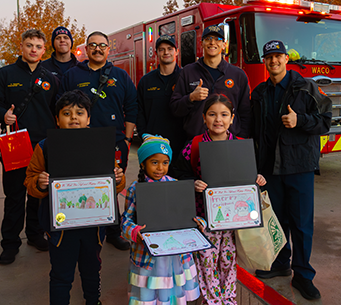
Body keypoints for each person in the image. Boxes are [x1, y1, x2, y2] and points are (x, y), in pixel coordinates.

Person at [24, 90, 126, 305]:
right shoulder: (45, 147)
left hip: (94, 226)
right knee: (61, 275)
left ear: (88, 118)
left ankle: (93, 300)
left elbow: (114, 183)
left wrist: (117, 179)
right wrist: (39, 182)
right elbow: (30, 181)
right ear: (57, 119)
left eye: (79, 113)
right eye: (66, 113)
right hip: (60, 228)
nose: (73, 118)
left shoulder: (101, 144)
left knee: (92, 270)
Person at [250, 40, 332, 300]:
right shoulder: (260, 92)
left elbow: (326, 121)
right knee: (276, 220)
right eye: (269, 57)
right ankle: (280, 262)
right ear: (265, 61)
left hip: (299, 166)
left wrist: (300, 120)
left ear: (287, 59)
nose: (273, 61)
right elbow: (254, 131)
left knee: (301, 224)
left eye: (278, 56)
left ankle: (304, 275)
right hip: (270, 169)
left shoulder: (305, 88)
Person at [175, 94, 267, 304]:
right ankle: (212, 299)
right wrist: (193, 183)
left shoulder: (243, 146)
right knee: (206, 261)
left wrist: (258, 179)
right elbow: (179, 173)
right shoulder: (195, 145)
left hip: (235, 220)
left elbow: (252, 175)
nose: (218, 120)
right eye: (212, 114)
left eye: (224, 114)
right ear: (204, 118)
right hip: (205, 219)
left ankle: (229, 298)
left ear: (232, 118)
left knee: (228, 260)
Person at [58, 31, 138, 251]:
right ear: (86, 48)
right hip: (79, 143)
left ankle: (113, 231)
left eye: (102, 45)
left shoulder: (120, 76)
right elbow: (60, 106)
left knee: (112, 186)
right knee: (83, 186)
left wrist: (128, 139)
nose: (97, 49)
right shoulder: (72, 76)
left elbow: (132, 108)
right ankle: (85, 228)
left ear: (108, 49)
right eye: (93, 45)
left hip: (114, 142)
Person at [0, 28, 58, 265]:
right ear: (21, 47)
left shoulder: (51, 78)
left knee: (38, 194)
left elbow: (57, 110)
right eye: (29, 45)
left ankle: (35, 234)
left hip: (43, 145)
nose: (33, 50)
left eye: (38, 46)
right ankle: (10, 243)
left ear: (43, 50)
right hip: (15, 143)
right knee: (15, 195)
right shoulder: (4, 75)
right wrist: (2, 116)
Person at [121, 134, 201, 304]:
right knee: (149, 292)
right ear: (143, 163)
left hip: (174, 255)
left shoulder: (174, 184)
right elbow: (126, 221)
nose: (160, 168)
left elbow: (186, 216)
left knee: (170, 292)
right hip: (148, 255)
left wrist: (198, 223)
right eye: (154, 162)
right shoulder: (136, 189)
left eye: (165, 163)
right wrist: (135, 231)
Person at [170, 25, 251, 140]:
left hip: (229, 143)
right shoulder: (188, 72)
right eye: (208, 39)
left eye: (217, 39)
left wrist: (240, 139)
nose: (212, 42)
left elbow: (245, 113)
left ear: (224, 45)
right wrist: (191, 98)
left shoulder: (238, 75)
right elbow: (175, 109)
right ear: (201, 43)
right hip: (196, 141)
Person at [136, 34, 185, 177]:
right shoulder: (146, 81)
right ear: (156, 53)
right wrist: (144, 135)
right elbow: (140, 111)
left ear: (177, 51)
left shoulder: (186, 77)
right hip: (154, 146)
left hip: (181, 144)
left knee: (180, 188)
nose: (166, 52)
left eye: (170, 48)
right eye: (162, 49)